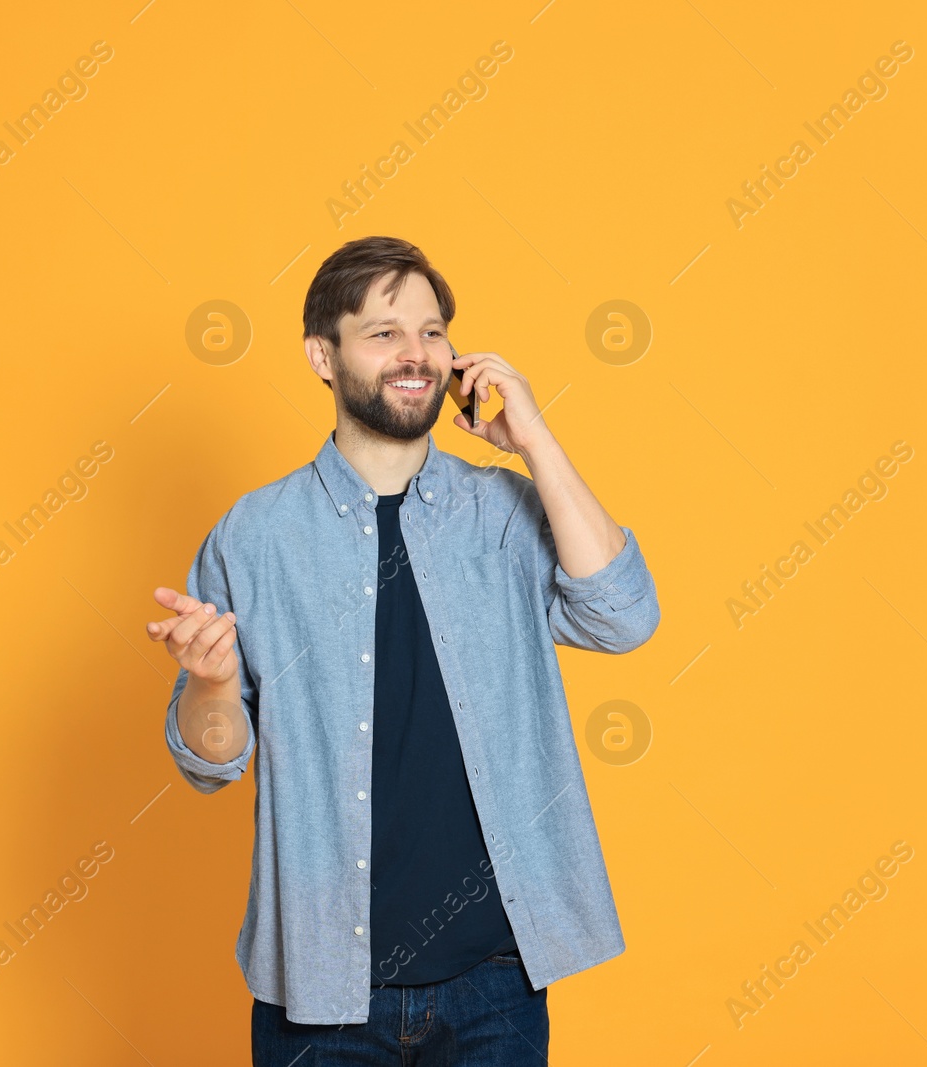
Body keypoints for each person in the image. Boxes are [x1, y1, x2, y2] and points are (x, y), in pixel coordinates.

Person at [148, 235, 661, 1065]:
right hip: (318, 987)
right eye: (384, 332)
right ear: (324, 354)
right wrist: (207, 685)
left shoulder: (504, 510)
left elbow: (624, 617)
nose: (415, 353)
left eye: (432, 331)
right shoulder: (255, 536)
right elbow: (211, 761)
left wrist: (535, 440)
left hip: (496, 981)